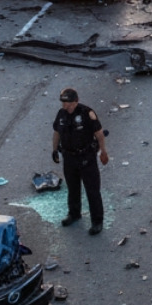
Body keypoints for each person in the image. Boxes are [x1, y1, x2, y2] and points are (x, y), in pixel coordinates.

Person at [51, 88, 108, 235]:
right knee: (73, 188)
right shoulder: (61, 114)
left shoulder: (87, 113)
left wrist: (103, 151)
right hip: (69, 157)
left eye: (69, 103)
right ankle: (74, 214)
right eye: (64, 103)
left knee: (92, 190)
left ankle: (97, 221)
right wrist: (54, 150)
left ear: (76, 101)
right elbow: (57, 132)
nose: (66, 106)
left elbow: (99, 133)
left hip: (86, 157)